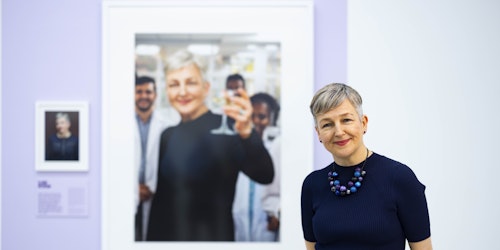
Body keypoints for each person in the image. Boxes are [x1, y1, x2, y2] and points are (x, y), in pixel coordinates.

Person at [147, 49, 274, 241]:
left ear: (206, 88)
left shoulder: (229, 128)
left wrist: (247, 133)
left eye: (190, 82)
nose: (182, 92)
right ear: (167, 91)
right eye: (174, 84)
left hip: (215, 240)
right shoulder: (167, 135)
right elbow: (161, 203)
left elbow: (265, 174)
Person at [301, 83, 432, 250]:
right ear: (318, 132)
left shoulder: (400, 178)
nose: (339, 131)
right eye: (327, 124)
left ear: (364, 123)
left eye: (346, 120)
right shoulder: (312, 185)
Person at [232, 91, 281, 241]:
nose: (256, 121)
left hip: (266, 217)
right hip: (238, 214)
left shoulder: (277, 146)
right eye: (252, 115)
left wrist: (276, 211)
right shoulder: (236, 145)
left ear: (272, 118)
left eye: (262, 116)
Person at [134, 76, 172, 241]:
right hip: (128, 192)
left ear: (155, 95)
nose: (144, 96)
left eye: (148, 92)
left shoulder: (167, 123)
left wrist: (152, 187)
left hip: (155, 193)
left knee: (152, 237)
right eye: (139, 92)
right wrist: (133, 188)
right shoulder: (120, 123)